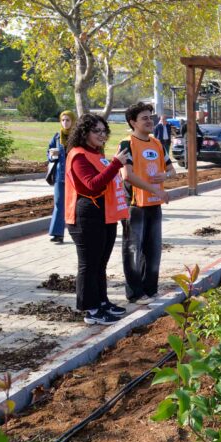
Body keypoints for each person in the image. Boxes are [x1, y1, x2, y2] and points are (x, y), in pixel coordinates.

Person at [65, 114, 130, 325]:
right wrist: (115, 164)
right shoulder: (78, 155)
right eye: (97, 131)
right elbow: (92, 185)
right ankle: (90, 310)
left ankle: (101, 301)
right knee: (89, 264)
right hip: (86, 216)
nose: (102, 135)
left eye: (104, 131)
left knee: (100, 263)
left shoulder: (97, 154)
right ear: (84, 133)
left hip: (105, 214)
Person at [118, 102, 173, 305]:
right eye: (144, 118)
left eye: (151, 117)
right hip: (134, 205)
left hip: (154, 203)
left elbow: (171, 170)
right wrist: (155, 189)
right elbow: (127, 175)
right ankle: (135, 293)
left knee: (153, 248)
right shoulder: (126, 144)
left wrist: (164, 175)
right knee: (133, 249)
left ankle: (151, 289)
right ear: (133, 122)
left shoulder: (157, 143)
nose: (150, 121)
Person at [46, 110, 76, 243]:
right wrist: (52, 155)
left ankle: (79, 232)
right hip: (60, 175)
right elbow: (49, 151)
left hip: (75, 176)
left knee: (76, 204)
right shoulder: (57, 137)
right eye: (63, 120)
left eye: (68, 120)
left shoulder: (78, 136)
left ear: (73, 121)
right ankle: (57, 233)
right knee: (59, 203)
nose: (65, 123)